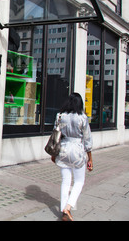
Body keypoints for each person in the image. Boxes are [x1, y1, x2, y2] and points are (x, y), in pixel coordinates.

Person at [51, 93, 93, 221]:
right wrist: (90, 158)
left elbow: (55, 134)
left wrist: (53, 154)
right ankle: (68, 208)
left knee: (65, 181)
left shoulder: (60, 116)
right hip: (77, 151)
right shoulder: (82, 118)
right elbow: (87, 140)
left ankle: (64, 209)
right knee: (79, 181)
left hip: (63, 150)